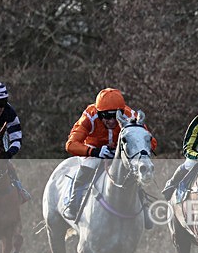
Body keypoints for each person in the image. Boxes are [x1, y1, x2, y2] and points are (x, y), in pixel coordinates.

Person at [63, 87, 157, 224]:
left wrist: (136, 152)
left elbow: (150, 141)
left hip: (120, 151)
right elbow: (70, 145)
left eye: (115, 116)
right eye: (107, 116)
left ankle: (143, 205)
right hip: (94, 150)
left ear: (121, 112)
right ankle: (73, 203)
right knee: (89, 165)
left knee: (134, 169)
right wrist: (94, 152)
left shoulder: (131, 116)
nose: (112, 121)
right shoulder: (89, 116)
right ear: (99, 113)